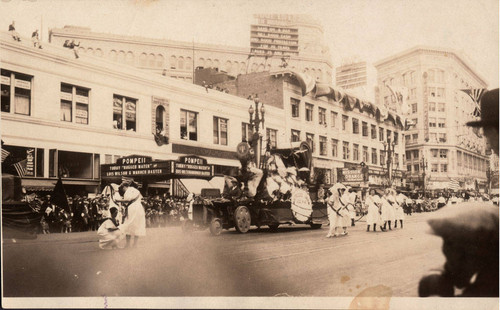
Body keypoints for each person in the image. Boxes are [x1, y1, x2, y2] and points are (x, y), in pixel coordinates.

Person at [115, 181, 146, 248]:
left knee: (128, 224)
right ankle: (135, 244)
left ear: (125, 186)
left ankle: (128, 244)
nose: (122, 190)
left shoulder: (128, 190)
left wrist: (118, 200)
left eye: (122, 188)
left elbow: (128, 200)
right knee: (137, 225)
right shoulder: (136, 190)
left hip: (133, 208)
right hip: (139, 208)